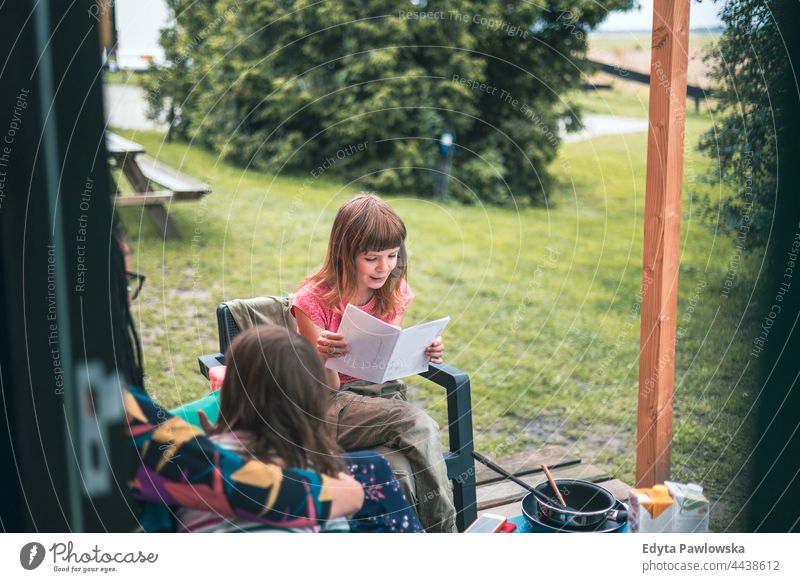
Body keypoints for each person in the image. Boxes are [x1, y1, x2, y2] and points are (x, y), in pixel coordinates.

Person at [291, 193, 457, 532]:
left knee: (410, 451)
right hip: (326, 405)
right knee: (420, 426)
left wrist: (423, 349)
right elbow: (322, 390)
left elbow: (387, 359)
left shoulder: (392, 291)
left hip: (381, 396)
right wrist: (322, 354)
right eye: (372, 258)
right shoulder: (310, 301)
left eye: (393, 256)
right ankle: (446, 534)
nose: (385, 267)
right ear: (345, 254)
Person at [174, 325, 422, 533]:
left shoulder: (194, 455)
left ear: (229, 390)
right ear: (308, 399)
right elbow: (340, 525)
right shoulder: (309, 472)